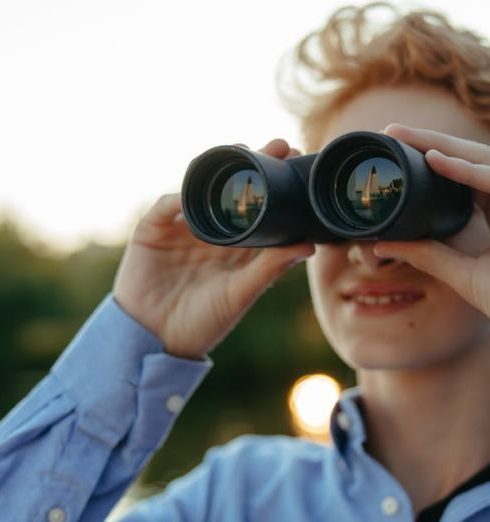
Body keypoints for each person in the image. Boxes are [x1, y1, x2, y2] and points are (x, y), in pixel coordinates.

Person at [3, 2, 490, 520]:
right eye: (342, 202)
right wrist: (139, 333)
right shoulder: (234, 497)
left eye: (422, 194)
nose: (371, 253)